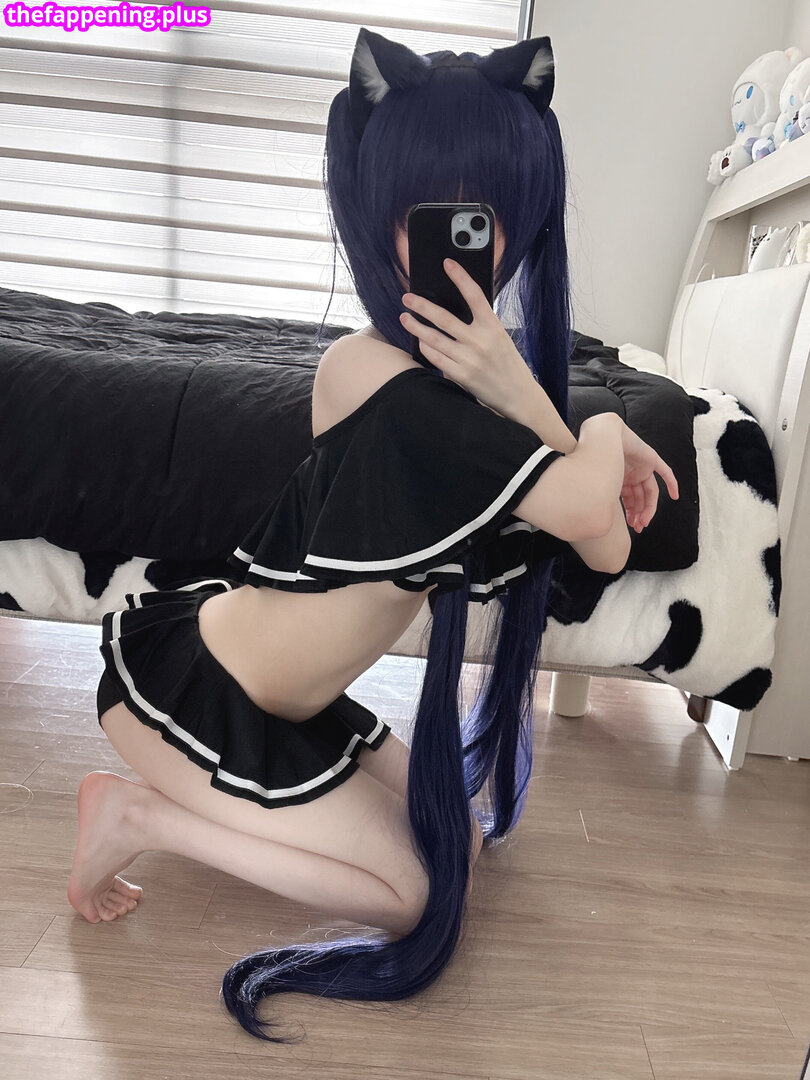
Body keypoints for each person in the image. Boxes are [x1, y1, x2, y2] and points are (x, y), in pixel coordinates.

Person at [67, 27, 679, 1043]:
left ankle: (174, 808)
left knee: (462, 850)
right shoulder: (366, 374)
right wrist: (604, 430)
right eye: (429, 216)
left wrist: (522, 390)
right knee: (411, 898)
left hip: (294, 705)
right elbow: (587, 509)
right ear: (376, 212)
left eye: (487, 215)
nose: (466, 242)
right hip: (199, 692)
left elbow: (605, 546)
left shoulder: (472, 402)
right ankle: (135, 815)